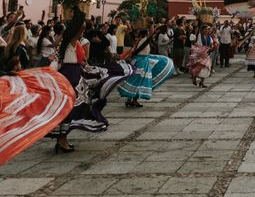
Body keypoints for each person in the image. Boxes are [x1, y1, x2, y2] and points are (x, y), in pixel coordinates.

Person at [50, 9, 134, 152]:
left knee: (73, 107)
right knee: (74, 107)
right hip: (71, 76)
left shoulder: (68, 42)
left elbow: (74, 58)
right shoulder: (70, 41)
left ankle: (62, 139)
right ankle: (62, 139)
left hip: (74, 73)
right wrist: (80, 16)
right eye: (81, 29)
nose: (82, 31)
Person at [118, 28, 174, 107]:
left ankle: (131, 99)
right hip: (141, 62)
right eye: (147, 33)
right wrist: (154, 32)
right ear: (145, 34)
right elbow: (147, 41)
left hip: (140, 60)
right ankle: (133, 100)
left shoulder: (139, 40)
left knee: (136, 80)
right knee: (140, 81)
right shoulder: (143, 40)